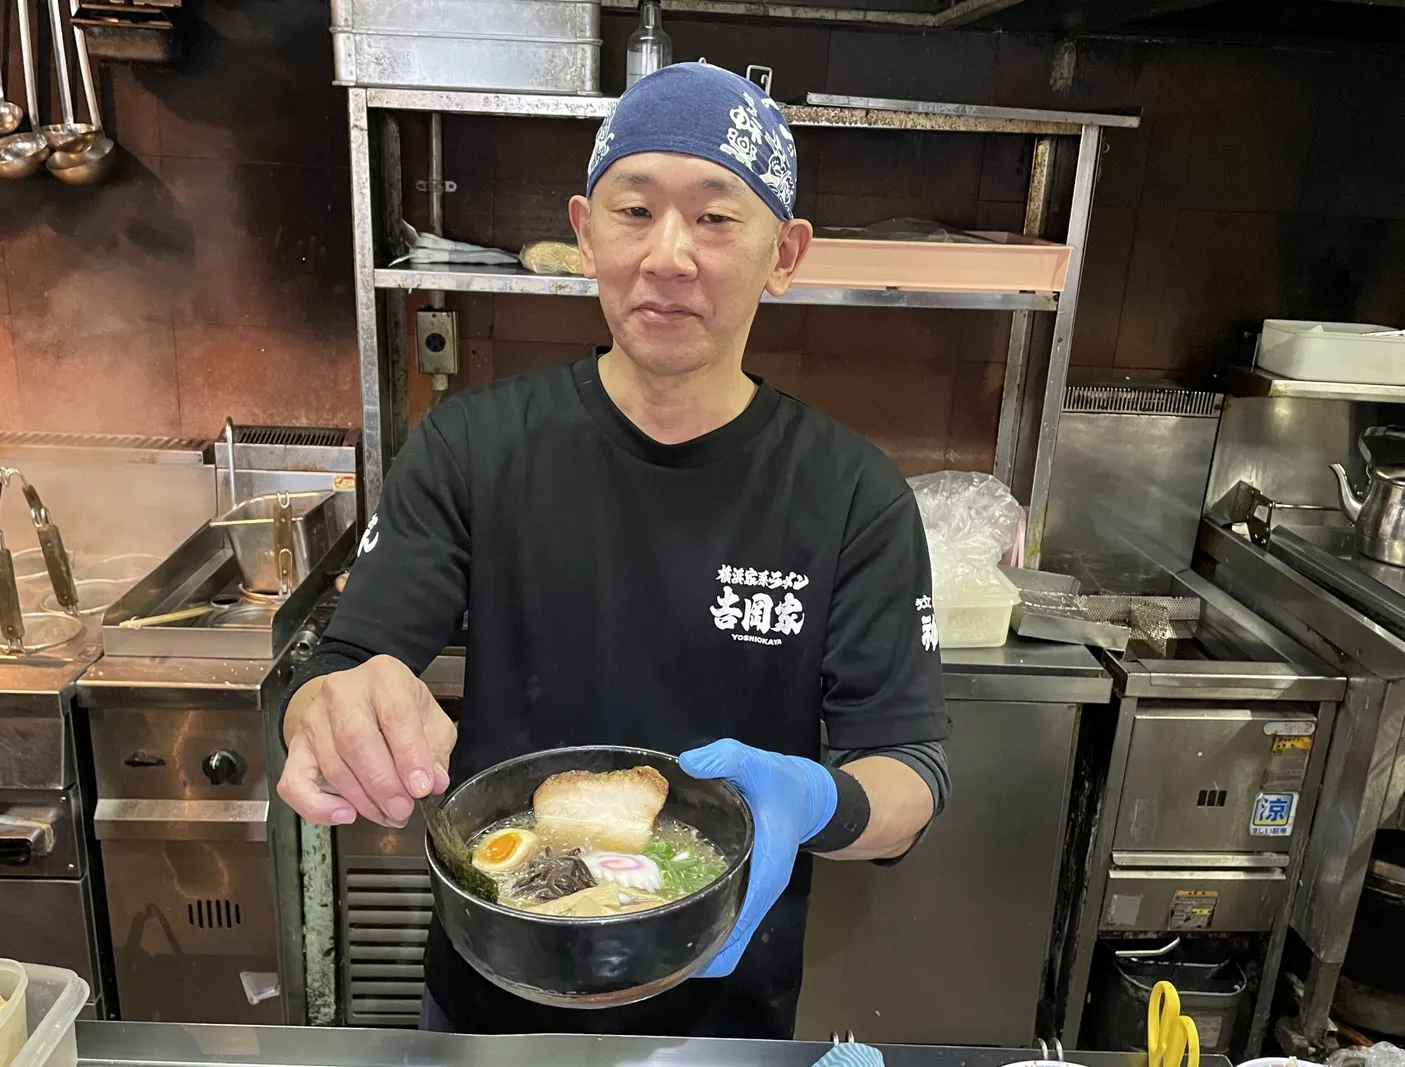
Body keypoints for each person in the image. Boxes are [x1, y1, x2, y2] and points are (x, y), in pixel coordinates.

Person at [276, 61, 951, 1040]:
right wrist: (332, 707)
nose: (669, 254)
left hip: (726, 1012)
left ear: (785, 253)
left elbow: (911, 777)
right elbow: (343, 665)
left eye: (717, 218)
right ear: (585, 234)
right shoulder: (471, 448)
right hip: (492, 1000)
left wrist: (818, 799)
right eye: (635, 210)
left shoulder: (852, 495)